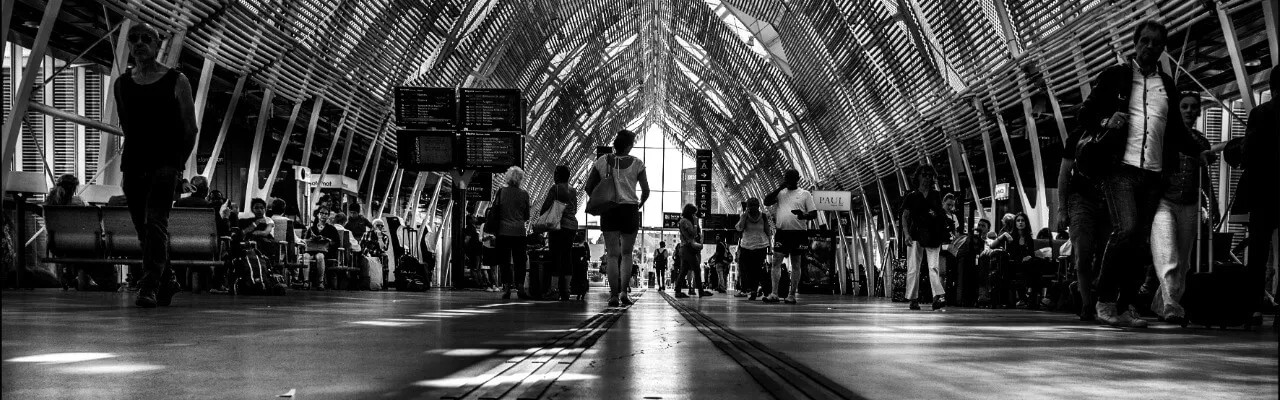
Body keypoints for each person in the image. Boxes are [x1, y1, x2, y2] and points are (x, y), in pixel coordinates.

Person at [1080, 20, 1206, 328]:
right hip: (1120, 168)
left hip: (1153, 174)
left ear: (1163, 49)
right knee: (1126, 229)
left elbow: (1176, 131)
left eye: (1156, 43)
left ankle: (1125, 306)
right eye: (1144, 41)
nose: (1149, 47)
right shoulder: (1116, 76)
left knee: (1139, 242)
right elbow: (1085, 114)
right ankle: (1105, 300)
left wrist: (1198, 151)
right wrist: (1106, 121)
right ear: (1135, 43)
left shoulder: (1167, 86)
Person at [113, 23, 198, 308]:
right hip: (133, 163)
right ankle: (169, 278)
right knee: (143, 228)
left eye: (145, 39)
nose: (139, 43)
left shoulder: (176, 80)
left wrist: (177, 165)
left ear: (157, 44)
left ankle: (148, 284)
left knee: (155, 223)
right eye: (133, 39)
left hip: (165, 164)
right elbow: (127, 125)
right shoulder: (122, 84)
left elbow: (190, 128)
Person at [1146, 91, 1215, 326]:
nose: (1188, 110)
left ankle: (1161, 303)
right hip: (1164, 202)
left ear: (1198, 110)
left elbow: (1204, 179)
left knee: (1183, 262)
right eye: (1183, 106)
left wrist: (1209, 206)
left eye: (1192, 107)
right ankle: (1171, 307)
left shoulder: (1201, 141)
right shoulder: (1164, 136)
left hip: (1190, 203)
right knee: (1168, 255)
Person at [583, 129, 651, 307]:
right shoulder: (637, 164)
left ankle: (613, 296)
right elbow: (646, 191)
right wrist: (639, 204)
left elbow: (589, 187)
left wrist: (601, 200)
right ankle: (623, 294)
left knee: (612, 255)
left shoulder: (602, 161)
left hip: (609, 210)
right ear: (629, 145)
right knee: (627, 254)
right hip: (629, 210)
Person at [1238, 67, 1278, 327]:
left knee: (1258, 253)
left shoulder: (1261, 113)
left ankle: (1253, 308)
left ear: (1272, 89)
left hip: (1264, 193)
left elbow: (1248, 154)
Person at [898, 165, 948, 311]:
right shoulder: (911, 196)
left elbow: (940, 214)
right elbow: (905, 216)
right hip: (915, 235)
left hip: (933, 235)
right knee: (913, 267)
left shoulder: (936, 195)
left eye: (930, 175)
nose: (927, 178)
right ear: (918, 176)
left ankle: (937, 297)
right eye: (925, 175)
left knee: (934, 267)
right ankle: (913, 299)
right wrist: (906, 234)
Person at [763, 169, 816, 304]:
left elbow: (813, 214)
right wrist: (780, 187)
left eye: (792, 179)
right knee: (776, 261)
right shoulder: (780, 193)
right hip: (782, 232)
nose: (789, 181)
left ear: (797, 179)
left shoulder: (805, 194)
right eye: (787, 179)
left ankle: (791, 294)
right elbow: (766, 201)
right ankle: (774, 293)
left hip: (798, 233)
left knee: (796, 263)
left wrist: (803, 215)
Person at [541, 165, 579, 301]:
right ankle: (566, 290)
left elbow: (545, 207)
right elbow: (573, 209)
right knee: (567, 256)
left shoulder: (555, 189)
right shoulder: (573, 190)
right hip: (572, 226)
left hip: (558, 226)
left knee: (556, 256)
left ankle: (554, 289)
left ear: (557, 175)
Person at [493, 166, 531, 299]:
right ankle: (520, 288)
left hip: (503, 231)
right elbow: (527, 215)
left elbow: (495, 210)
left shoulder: (501, 192)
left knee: (505, 261)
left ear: (507, 178)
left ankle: (507, 288)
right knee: (520, 261)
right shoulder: (524, 194)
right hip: (519, 232)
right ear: (520, 179)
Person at [989, 213, 1035, 308]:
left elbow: (1031, 253)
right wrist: (1003, 236)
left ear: (1026, 223)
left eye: (1022, 220)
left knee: (1033, 264)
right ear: (1015, 223)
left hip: (1026, 264)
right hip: (1013, 265)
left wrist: (1028, 257)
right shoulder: (1010, 236)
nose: (1020, 222)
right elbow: (992, 246)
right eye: (1018, 221)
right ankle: (1025, 297)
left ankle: (1030, 296)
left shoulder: (1029, 239)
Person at [736, 197, 773, 300]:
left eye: (755, 206)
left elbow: (768, 232)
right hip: (746, 247)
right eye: (750, 206)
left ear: (758, 206)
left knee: (757, 270)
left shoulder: (764, 217)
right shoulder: (744, 216)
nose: (753, 208)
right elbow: (739, 228)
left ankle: (754, 291)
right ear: (747, 207)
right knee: (747, 270)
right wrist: (744, 216)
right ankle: (753, 289)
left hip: (760, 246)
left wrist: (770, 247)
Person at [675, 203, 711, 298]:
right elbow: (692, 233)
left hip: (685, 248)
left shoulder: (684, 221)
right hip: (687, 249)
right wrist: (695, 223)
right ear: (689, 213)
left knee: (683, 271)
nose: (694, 215)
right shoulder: (685, 221)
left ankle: (678, 291)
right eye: (693, 213)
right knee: (696, 269)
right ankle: (701, 291)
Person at [302, 207, 339, 290]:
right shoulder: (311, 228)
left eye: (326, 214)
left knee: (320, 256)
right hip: (311, 250)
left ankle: (320, 282)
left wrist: (328, 240)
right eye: (322, 213)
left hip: (325, 252)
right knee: (306, 256)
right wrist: (311, 239)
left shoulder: (331, 229)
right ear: (318, 215)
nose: (324, 215)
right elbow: (305, 240)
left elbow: (336, 242)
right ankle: (306, 281)